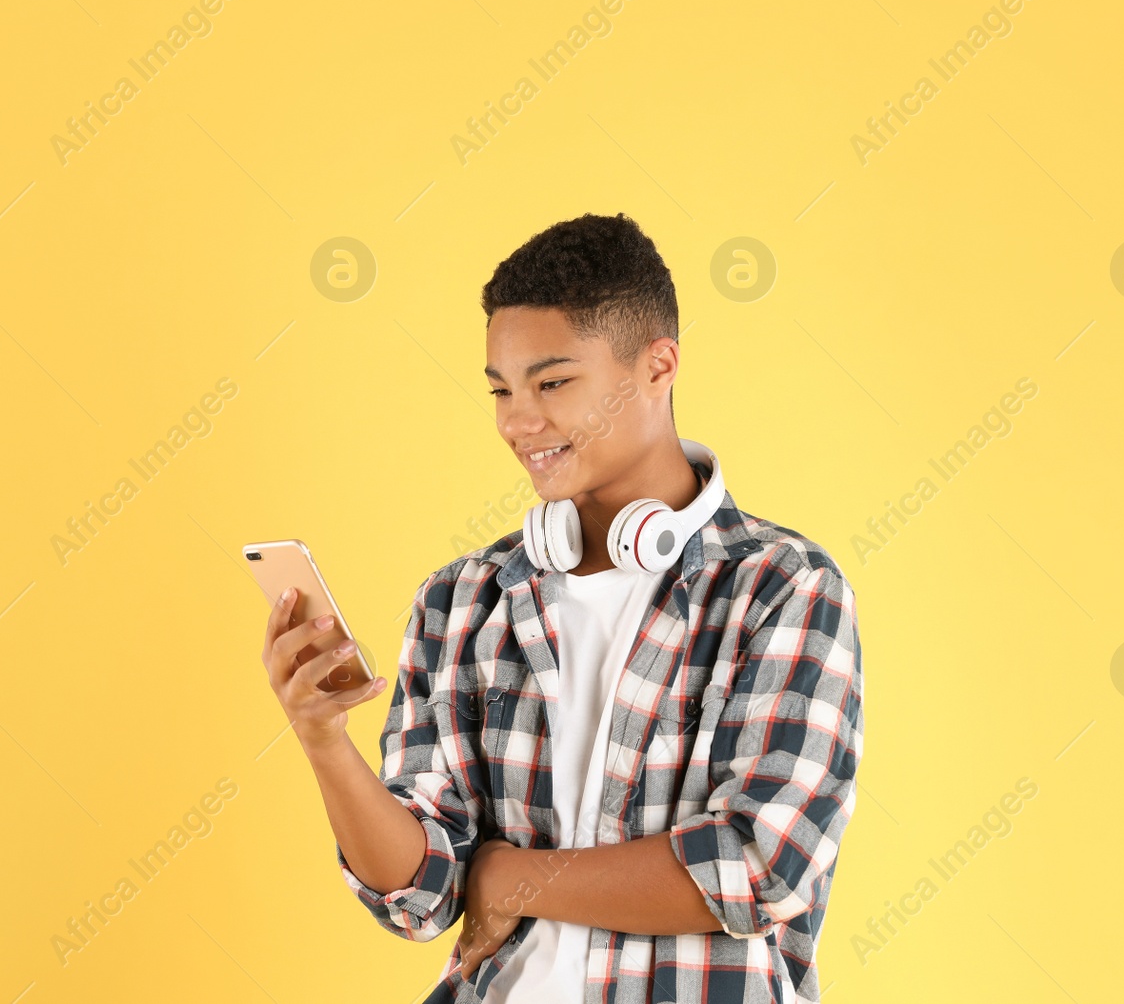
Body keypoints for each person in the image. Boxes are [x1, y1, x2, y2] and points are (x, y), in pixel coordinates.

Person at [262, 213, 864, 1003]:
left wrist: (514, 874)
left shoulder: (782, 587)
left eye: (551, 383)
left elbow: (756, 865)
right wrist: (325, 741)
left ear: (658, 366)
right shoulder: (464, 599)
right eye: (501, 390)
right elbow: (421, 895)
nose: (517, 421)